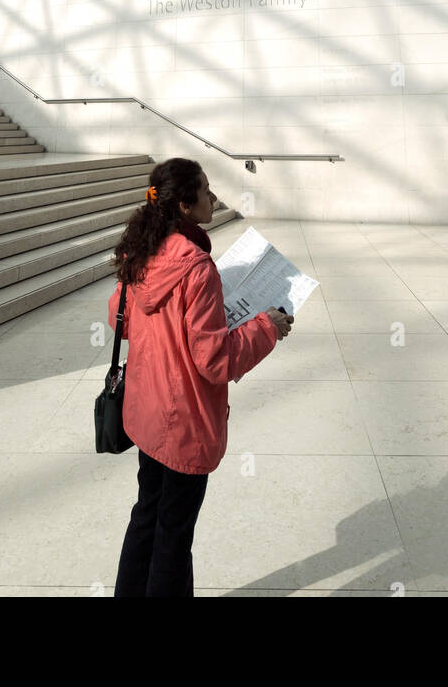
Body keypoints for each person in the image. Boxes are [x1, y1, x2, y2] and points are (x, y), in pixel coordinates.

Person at [108, 157, 294, 598]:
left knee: (147, 516)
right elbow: (214, 361)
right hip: (185, 424)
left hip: (146, 413)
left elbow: (123, 321)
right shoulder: (196, 267)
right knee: (174, 535)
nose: (212, 197)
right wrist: (267, 326)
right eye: (206, 190)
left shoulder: (143, 249)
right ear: (187, 206)